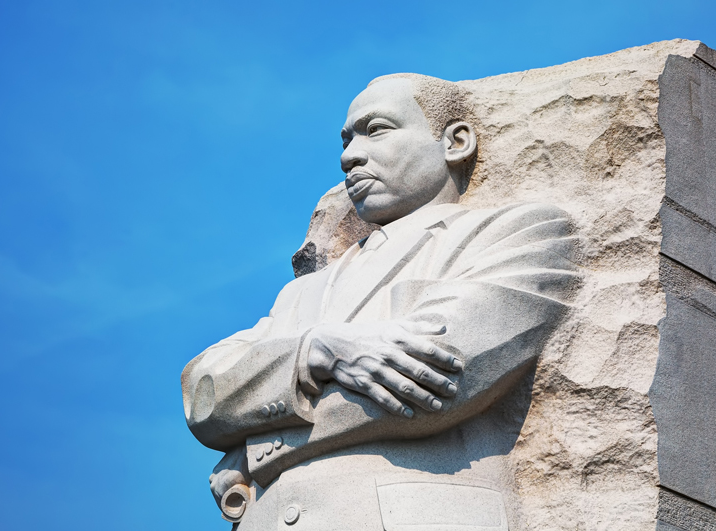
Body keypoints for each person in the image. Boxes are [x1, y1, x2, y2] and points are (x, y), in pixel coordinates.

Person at [181, 73, 580, 530]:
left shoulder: (519, 233)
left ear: (455, 141)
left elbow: (433, 379)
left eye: (377, 129)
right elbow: (204, 391)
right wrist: (313, 351)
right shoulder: (302, 293)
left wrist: (252, 451)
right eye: (347, 140)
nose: (349, 156)